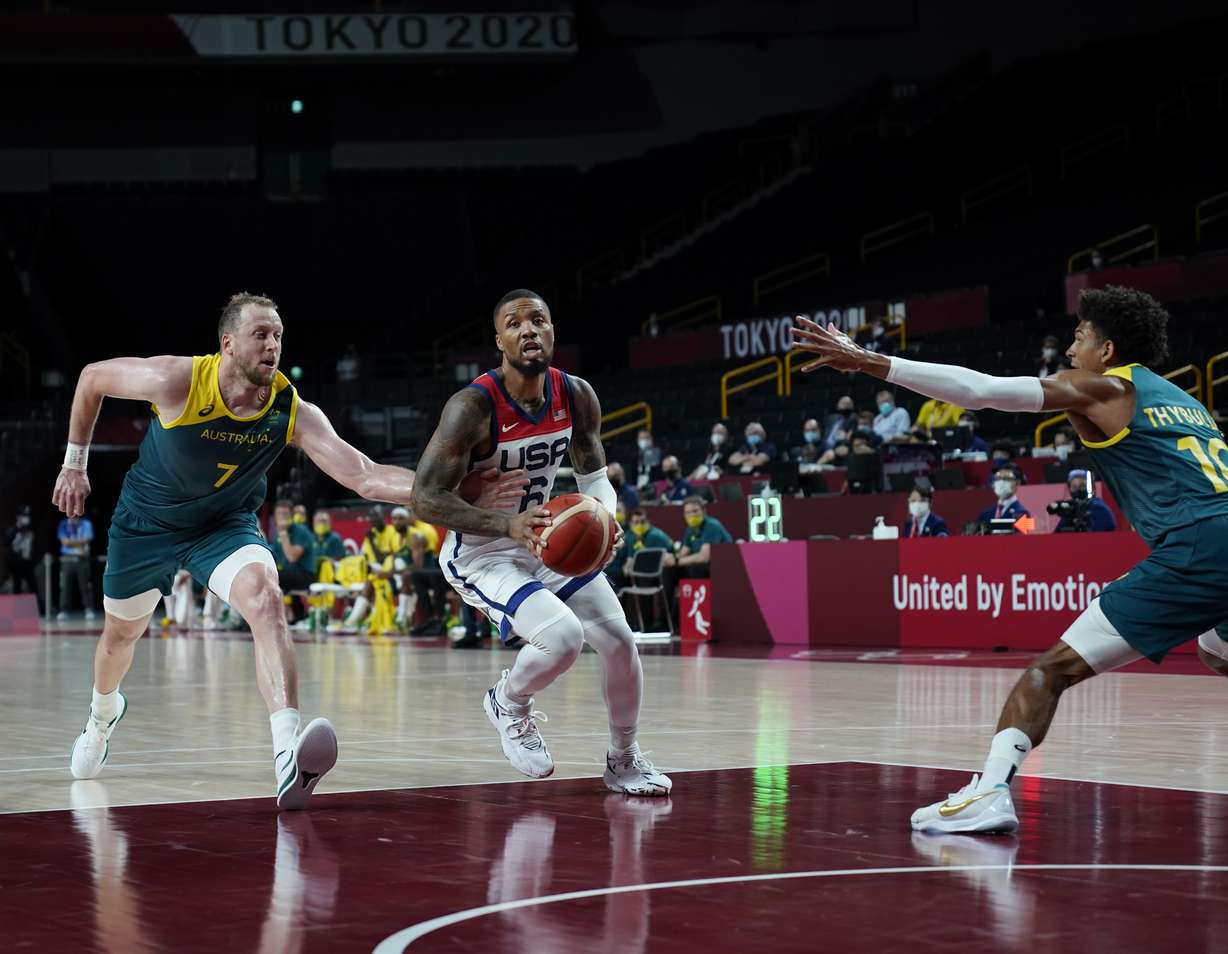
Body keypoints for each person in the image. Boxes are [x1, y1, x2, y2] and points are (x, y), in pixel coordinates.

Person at [50, 291, 515, 810]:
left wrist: (448, 490)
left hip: (223, 526)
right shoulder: (175, 381)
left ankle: (286, 753)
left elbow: (364, 475)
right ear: (228, 344)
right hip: (148, 524)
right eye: (260, 335)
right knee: (120, 637)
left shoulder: (290, 409)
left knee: (266, 600)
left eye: (277, 336)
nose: (272, 345)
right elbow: (92, 377)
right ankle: (101, 716)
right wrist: (74, 463)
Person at [791, 285, 1227, 835]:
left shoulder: (1102, 386)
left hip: (1198, 546)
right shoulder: (1185, 400)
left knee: (1048, 672)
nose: (1070, 349)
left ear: (1108, 350)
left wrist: (870, 362)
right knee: (1215, 648)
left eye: (1080, 337)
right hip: (1212, 541)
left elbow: (979, 390)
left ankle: (990, 791)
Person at [410, 289, 671, 796]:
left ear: (552, 330)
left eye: (538, 320)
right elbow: (423, 499)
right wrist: (506, 525)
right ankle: (508, 701)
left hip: (544, 539)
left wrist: (605, 522)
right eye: (514, 323)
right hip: (482, 552)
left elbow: (595, 477)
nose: (528, 329)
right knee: (563, 638)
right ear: (499, 340)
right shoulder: (471, 407)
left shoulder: (576, 394)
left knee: (620, 643)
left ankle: (623, 761)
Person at [661, 496, 731, 627]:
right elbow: (683, 553)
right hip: (698, 567)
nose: (691, 515)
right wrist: (670, 559)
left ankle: (696, 622)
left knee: (694, 567)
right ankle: (667, 622)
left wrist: (676, 561)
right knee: (668, 571)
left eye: (695, 511)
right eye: (688, 512)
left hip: (719, 569)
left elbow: (704, 557)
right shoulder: (690, 530)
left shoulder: (711, 525)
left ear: (703, 511)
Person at [271, 499, 315, 623]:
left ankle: (277, 619)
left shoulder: (301, 531)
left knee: (273, 577)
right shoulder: (277, 535)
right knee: (271, 574)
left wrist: (284, 534)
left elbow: (292, 557)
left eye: (286, 514)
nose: (282, 517)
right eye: (279, 514)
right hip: (289, 573)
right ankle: (297, 615)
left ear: (292, 515)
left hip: (305, 575)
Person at [57, 511, 96, 621]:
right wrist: (79, 543)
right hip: (67, 559)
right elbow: (64, 542)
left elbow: (87, 539)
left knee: (85, 585)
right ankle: (63, 610)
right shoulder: (63, 524)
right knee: (65, 586)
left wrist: (71, 542)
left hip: (82, 559)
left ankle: (88, 609)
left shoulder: (86, 523)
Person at [4, 504, 41, 612]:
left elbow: (34, 546)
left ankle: (38, 610)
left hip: (28, 563)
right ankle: (16, 611)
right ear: (18, 517)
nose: (26, 518)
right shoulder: (12, 530)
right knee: (17, 586)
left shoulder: (31, 530)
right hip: (16, 564)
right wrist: (18, 529)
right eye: (24, 516)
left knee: (33, 586)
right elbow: (7, 543)